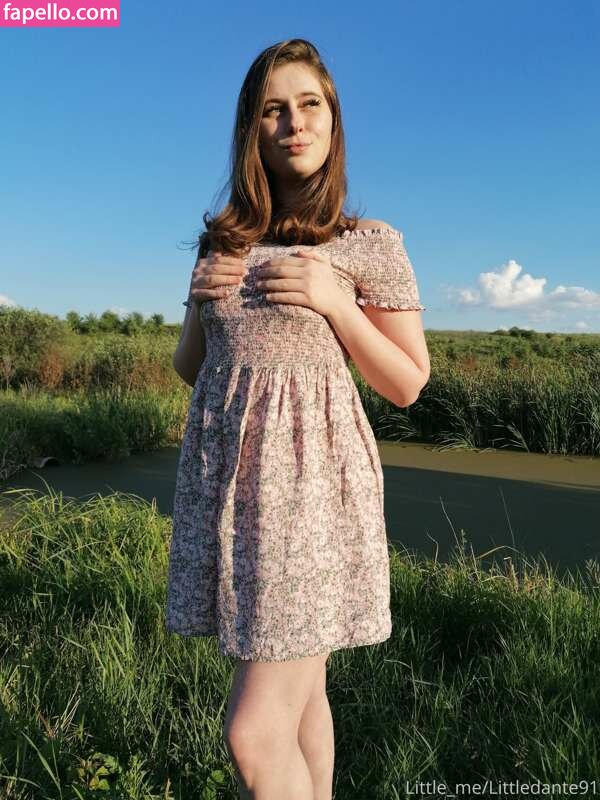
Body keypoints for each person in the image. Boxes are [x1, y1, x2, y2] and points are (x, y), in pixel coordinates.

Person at [166, 37, 430, 800]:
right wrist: (199, 298)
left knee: (253, 734)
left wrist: (336, 303)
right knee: (304, 702)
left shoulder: (367, 244)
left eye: (309, 105)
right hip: (231, 492)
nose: (294, 124)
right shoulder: (223, 239)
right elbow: (192, 368)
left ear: (333, 119)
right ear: (251, 127)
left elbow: (408, 383)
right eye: (273, 110)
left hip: (311, 498)